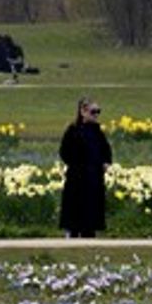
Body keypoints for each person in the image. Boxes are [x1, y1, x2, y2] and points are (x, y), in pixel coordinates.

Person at [58, 97, 112, 238]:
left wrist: (106, 162)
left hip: (93, 176)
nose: (96, 115)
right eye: (93, 112)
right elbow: (64, 151)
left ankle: (90, 232)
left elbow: (105, 149)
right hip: (77, 176)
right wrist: (75, 164)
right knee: (75, 207)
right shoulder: (73, 130)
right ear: (83, 112)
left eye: (97, 112)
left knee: (92, 207)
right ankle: (73, 233)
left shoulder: (97, 131)